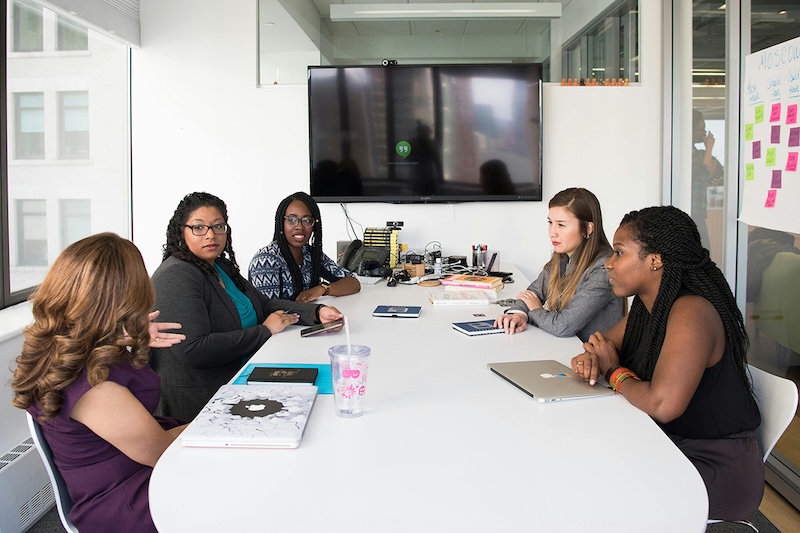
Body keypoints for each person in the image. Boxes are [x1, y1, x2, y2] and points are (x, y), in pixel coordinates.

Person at [571, 206, 762, 521]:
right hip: (666, 442)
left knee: (591, 484)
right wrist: (591, 359)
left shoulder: (691, 312)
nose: (609, 262)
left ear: (655, 260)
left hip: (712, 466)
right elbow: (599, 345)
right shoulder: (650, 307)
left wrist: (612, 371)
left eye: (619, 253)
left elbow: (662, 404)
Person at [11, 233, 187, 533]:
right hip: (127, 500)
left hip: (127, 467)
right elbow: (161, 453)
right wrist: (215, 421)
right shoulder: (95, 389)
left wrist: (127, 336)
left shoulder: (64, 347)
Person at [151, 192, 343, 421]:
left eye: (218, 226)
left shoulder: (218, 265)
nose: (211, 235)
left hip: (243, 376)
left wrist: (316, 312)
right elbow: (194, 349)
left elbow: (264, 304)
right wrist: (264, 331)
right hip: (202, 401)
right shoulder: (176, 275)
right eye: (199, 227)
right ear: (181, 231)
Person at [494, 187, 624, 342]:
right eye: (550, 223)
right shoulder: (561, 257)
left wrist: (535, 309)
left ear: (588, 228)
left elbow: (563, 325)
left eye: (561, 225)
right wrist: (518, 315)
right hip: (568, 350)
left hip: (592, 360)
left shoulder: (603, 269)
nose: (552, 232)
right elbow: (533, 293)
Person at [249, 191, 360, 302]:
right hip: (293, 318)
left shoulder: (310, 254)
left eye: (307, 220)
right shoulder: (265, 261)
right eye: (291, 220)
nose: (299, 227)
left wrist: (323, 288)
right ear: (281, 223)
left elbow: (353, 282)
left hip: (310, 317)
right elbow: (269, 310)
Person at [691, 109, 724, 249]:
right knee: (702, 250)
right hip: (691, 212)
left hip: (698, 212)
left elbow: (717, 175)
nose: (705, 133)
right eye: (701, 129)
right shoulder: (685, 152)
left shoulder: (699, 154)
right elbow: (701, 173)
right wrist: (709, 147)